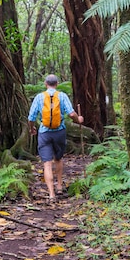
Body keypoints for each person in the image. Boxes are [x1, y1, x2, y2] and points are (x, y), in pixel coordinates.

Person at [28, 74, 84, 202]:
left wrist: (32, 129)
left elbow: (31, 118)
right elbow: (71, 113)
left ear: (45, 83)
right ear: (57, 83)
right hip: (59, 132)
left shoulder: (39, 97)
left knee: (47, 163)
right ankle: (59, 186)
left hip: (44, 133)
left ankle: (51, 194)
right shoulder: (62, 96)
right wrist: (78, 119)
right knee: (58, 159)